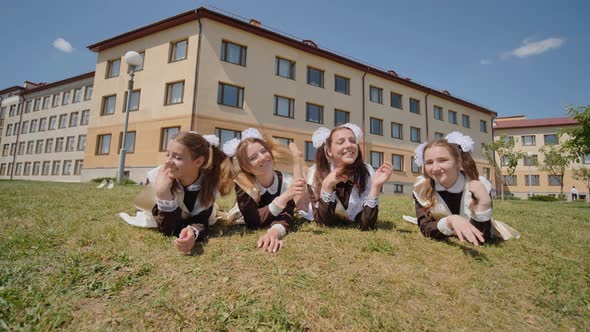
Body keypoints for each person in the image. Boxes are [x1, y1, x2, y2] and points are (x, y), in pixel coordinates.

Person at [410, 131, 519, 245]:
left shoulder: (478, 186)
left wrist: (484, 204)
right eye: (429, 162)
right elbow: (426, 228)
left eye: (443, 160)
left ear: (458, 162)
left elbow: (480, 237)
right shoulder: (422, 188)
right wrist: (450, 221)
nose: (435, 168)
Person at [223, 128, 305, 253]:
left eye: (263, 151)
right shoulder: (244, 185)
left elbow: (287, 215)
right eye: (253, 157)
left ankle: (296, 159)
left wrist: (274, 232)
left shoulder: (285, 181)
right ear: (246, 167)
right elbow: (252, 221)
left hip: (276, 214)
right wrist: (284, 198)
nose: (262, 157)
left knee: (300, 196)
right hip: (243, 217)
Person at [149, 131, 232, 254]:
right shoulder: (157, 177)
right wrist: (163, 194)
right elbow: (169, 229)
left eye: (177, 157)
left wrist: (192, 232)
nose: (168, 161)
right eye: (168, 155)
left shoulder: (208, 185)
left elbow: (201, 221)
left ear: (198, 162)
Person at [304, 123, 393, 230]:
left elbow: (367, 225)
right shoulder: (315, 173)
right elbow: (324, 223)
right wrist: (327, 185)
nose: (349, 145)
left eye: (352, 141)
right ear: (329, 151)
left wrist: (376, 186)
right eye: (341, 142)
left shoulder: (366, 172)